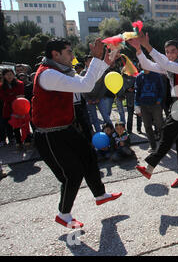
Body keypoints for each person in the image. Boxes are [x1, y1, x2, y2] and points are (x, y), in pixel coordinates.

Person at [32, 38, 121, 229]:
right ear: (56, 55)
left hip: (65, 127)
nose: (73, 56)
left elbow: (84, 81)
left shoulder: (60, 71)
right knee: (71, 174)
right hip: (49, 134)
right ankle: (63, 214)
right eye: (69, 52)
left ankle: (99, 194)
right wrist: (97, 59)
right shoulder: (47, 75)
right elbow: (86, 86)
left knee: (89, 155)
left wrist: (104, 63)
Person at [129, 33, 178, 188]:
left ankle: (149, 167)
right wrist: (139, 50)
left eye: (173, 51)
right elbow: (147, 65)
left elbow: (166, 64)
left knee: (167, 134)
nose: (170, 54)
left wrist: (148, 47)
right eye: (167, 52)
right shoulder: (170, 67)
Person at [134, 62, 164, 151]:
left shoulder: (156, 75)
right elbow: (137, 91)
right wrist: (137, 105)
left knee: (159, 125)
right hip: (143, 105)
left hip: (155, 104)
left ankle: (164, 145)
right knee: (147, 126)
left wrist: (159, 100)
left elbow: (161, 89)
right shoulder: (139, 77)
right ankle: (153, 146)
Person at [0, 69, 25, 149]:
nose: (9, 76)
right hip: (8, 108)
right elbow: (4, 98)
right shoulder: (1, 86)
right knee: (8, 124)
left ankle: (24, 139)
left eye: (11, 74)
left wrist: (11, 96)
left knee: (21, 124)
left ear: (13, 75)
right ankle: (12, 139)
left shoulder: (20, 83)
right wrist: (14, 96)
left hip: (19, 107)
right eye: (7, 74)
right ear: (4, 76)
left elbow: (21, 95)